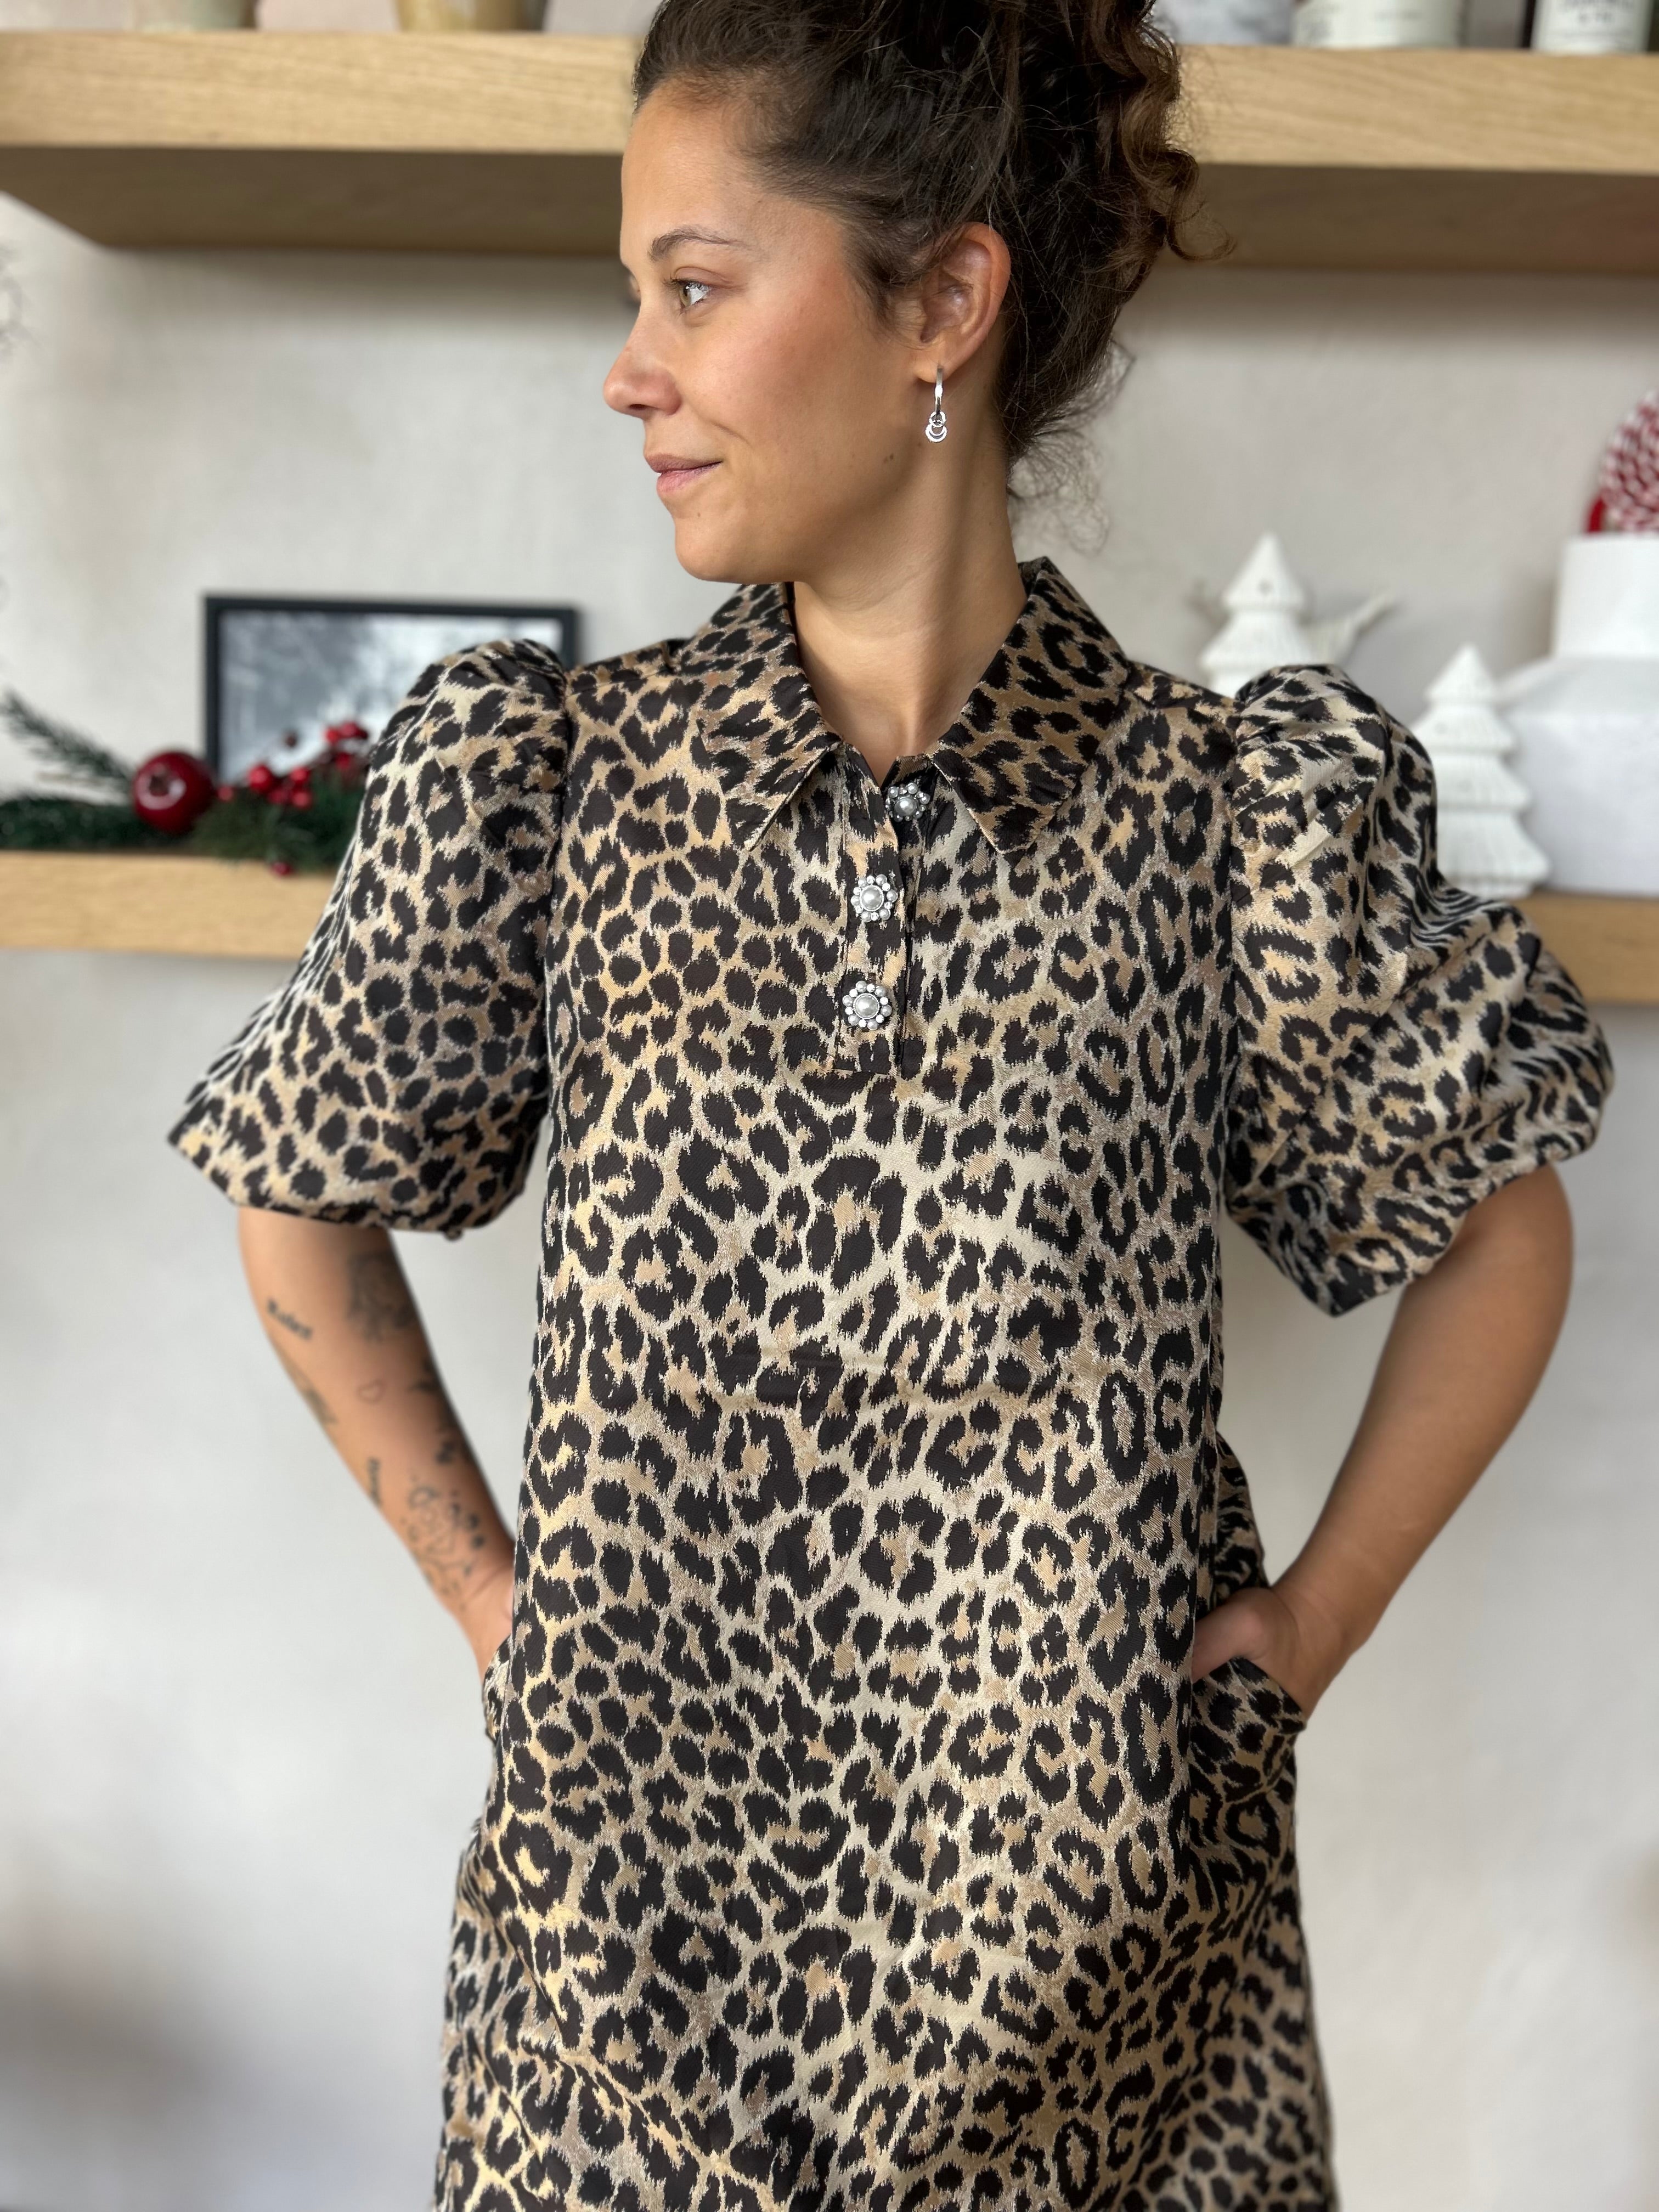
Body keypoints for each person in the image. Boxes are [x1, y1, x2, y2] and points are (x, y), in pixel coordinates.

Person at [166, 1, 1613, 2204]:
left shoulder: (1226, 813)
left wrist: (1308, 1630)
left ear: (943, 302)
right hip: (613, 2030)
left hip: (1121, 2020)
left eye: (695, 288)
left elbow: (1499, 1223)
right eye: (636, 295)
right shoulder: (551, 785)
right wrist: (496, 1604)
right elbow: (302, 1190)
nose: (628, 371)